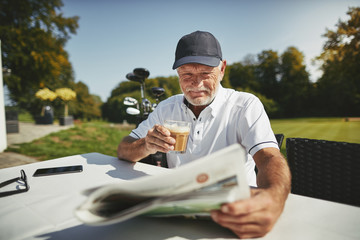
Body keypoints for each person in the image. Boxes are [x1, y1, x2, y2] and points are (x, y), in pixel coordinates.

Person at [117, 30, 291, 238]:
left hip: (234, 212)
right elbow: (124, 149)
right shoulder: (166, 108)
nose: (196, 84)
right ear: (178, 73)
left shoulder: (245, 105)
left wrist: (273, 199)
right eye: (187, 74)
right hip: (180, 213)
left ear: (222, 69)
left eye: (205, 73)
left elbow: (270, 157)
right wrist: (147, 144)